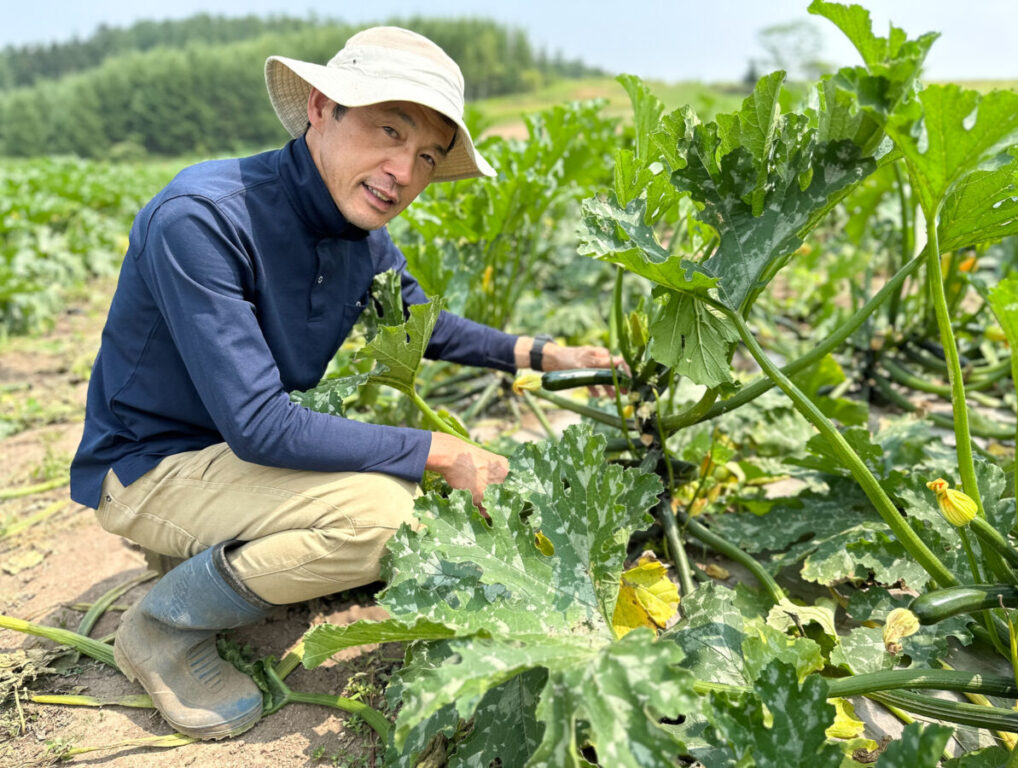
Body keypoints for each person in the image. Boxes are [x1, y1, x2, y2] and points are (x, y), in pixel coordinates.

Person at [69, 26, 618, 740]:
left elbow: (425, 326)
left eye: (426, 155)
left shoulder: (357, 235)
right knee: (386, 519)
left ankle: (202, 561)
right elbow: (260, 425)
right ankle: (160, 629)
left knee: (392, 498)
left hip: (230, 462)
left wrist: (546, 355)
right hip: (150, 468)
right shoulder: (202, 217)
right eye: (388, 131)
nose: (404, 171)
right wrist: (442, 451)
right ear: (322, 108)